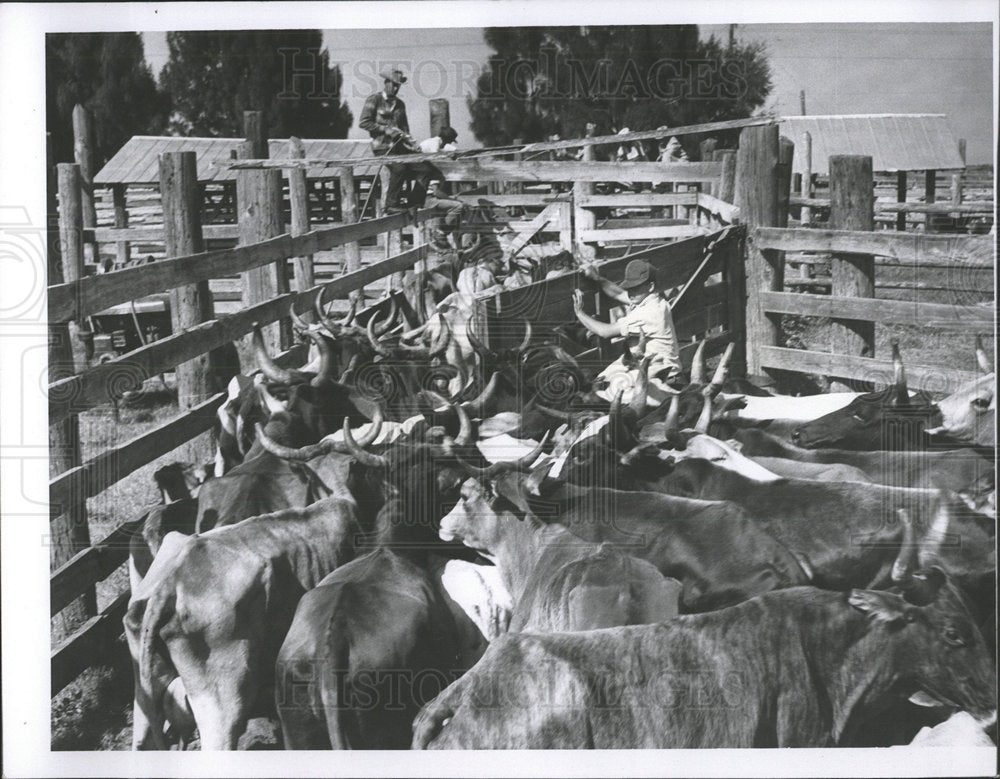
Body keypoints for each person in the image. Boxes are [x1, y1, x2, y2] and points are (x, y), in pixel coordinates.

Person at [573, 258, 682, 404]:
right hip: (657, 370)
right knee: (602, 382)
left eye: (635, 288)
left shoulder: (648, 313)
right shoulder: (656, 302)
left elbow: (605, 332)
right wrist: (597, 278)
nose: (630, 292)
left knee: (598, 395)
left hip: (661, 380)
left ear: (650, 287)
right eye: (629, 287)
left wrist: (580, 314)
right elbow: (618, 294)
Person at [358, 67, 436, 212]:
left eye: (397, 85)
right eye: (392, 84)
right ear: (385, 82)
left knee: (425, 168)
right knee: (399, 168)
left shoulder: (400, 105)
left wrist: (411, 143)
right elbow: (363, 122)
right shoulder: (374, 100)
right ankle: (391, 204)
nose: (395, 88)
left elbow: (405, 129)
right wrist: (385, 129)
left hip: (400, 148)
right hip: (382, 149)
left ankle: (414, 203)